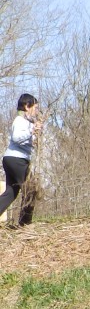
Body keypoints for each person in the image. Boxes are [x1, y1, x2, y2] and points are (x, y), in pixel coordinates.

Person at [0, 93, 42, 223]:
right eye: (35, 108)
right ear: (26, 106)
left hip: (12, 159)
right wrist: (31, 131)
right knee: (30, 190)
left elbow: (29, 141)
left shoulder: (27, 122)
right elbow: (17, 138)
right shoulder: (20, 121)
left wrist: (36, 132)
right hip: (17, 160)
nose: (36, 111)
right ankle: (25, 223)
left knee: (11, 192)